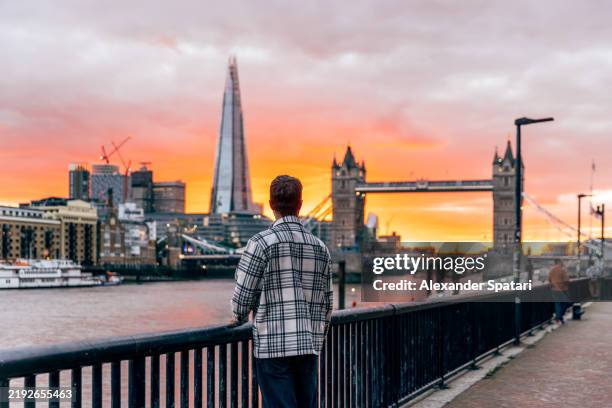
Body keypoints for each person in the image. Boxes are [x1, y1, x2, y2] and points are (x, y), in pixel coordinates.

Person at [231, 175, 333, 408]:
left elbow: (242, 298)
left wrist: (237, 317)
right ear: (300, 204)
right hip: (308, 345)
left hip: (273, 345)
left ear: (270, 204)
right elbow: (327, 304)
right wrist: (316, 337)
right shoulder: (320, 248)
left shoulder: (260, 243)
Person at [548, 258, 570, 324]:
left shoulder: (551, 270)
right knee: (566, 303)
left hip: (554, 289)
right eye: (562, 262)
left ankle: (558, 317)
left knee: (557, 303)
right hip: (562, 289)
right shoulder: (562, 270)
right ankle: (559, 316)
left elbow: (549, 279)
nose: (562, 263)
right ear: (559, 262)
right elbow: (567, 280)